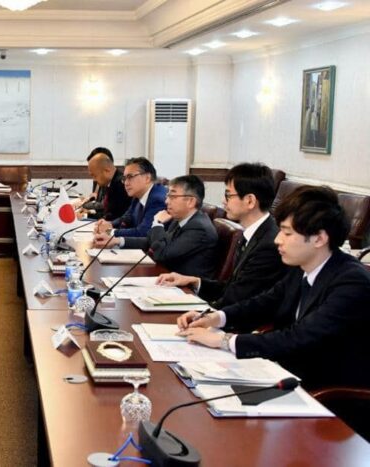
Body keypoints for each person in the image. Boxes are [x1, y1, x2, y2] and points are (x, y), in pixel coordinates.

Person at [177, 185, 370, 389]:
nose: (277, 240)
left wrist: (224, 341)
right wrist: (215, 317)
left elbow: (300, 336)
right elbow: (264, 303)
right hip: (284, 373)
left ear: (319, 239)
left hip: (326, 392)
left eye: (287, 233)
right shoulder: (302, 267)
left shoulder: (352, 282)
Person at [158, 163, 288, 308]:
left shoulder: (269, 244)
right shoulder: (251, 234)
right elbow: (232, 287)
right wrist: (194, 281)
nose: (223, 201)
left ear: (250, 201)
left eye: (228, 195)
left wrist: (205, 314)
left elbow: (240, 298)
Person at [94, 175, 217, 277]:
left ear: (190, 201)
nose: (166, 201)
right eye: (167, 196)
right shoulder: (181, 219)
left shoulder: (199, 228)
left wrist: (157, 224)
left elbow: (162, 254)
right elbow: (151, 242)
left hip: (186, 291)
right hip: (168, 278)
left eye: (172, 196)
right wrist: (117, 241)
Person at [94, 157, 167, 238]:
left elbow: (142, 233)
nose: (126, 183)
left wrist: (109, 231)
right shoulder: (137, 194)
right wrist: (110, 224)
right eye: (124, 178)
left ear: (147, 178)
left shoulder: (157, 200)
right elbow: (127, 217)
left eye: (130, 177)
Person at [84, 149, 130, 221]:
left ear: (107, 170)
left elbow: (114, 217)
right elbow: (107, 214)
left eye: (95, 175)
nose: (94, 180)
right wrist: (87, 214)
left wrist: (86, 215)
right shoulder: (111, 182)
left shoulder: (120, 185)